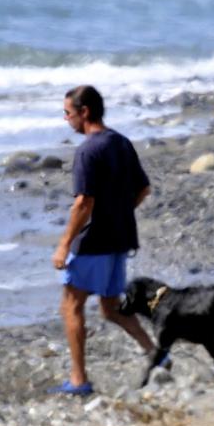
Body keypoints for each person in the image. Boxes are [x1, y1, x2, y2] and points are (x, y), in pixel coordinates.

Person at [49, 84, 165, 395]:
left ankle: (78, 381)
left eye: (67, 113)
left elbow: (84, 203)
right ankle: (157, 354)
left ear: (84, 112)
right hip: (120, 238)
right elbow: (143, 189)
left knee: (71, 306)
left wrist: (63, 245)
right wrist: (119, 213)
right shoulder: (121, 142)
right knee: (110, 308)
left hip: (95, 242)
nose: (66, 119)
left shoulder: (89, 150)